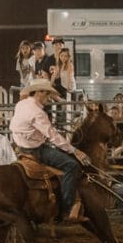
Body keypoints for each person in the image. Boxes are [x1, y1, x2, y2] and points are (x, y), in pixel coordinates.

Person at [9, 79, 91, 222]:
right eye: (47, 94)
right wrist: (75, 151)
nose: (49, 97)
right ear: (39, 93)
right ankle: (67, 208)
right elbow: (53, 136)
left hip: (20, 147)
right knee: (71, 165)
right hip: (35, 150)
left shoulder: (21, 104)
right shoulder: (37, 112)